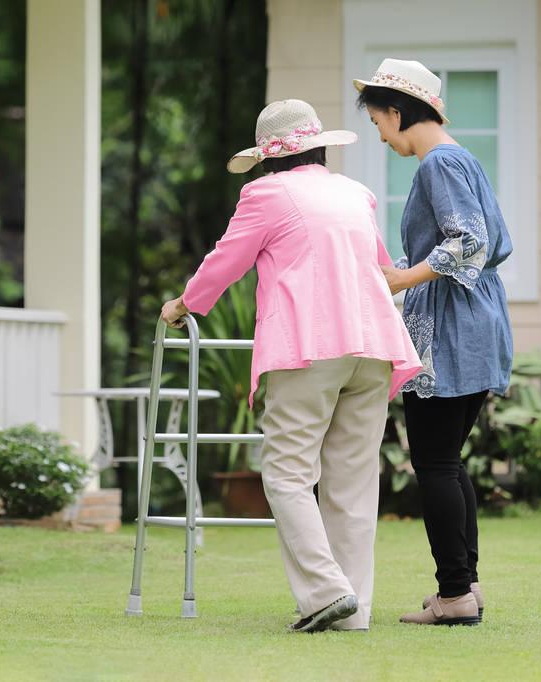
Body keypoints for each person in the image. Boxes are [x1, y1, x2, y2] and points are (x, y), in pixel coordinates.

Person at [160, 99, 421, 632]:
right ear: (319, 146)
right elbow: (382, 266)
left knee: (285, 473)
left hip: (310, 347)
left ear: (266, 158)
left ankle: (326, 593)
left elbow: (226, 260)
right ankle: (354, 612)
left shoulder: (265, 193)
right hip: (372, 345)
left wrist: (183, 303)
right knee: (352, 481)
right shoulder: (354, 194)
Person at [353, 59, 514, 626]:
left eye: (377, 122)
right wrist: (396, 272)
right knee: (448, 460)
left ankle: (455, 596)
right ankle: (464, 585)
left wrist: (401, 279)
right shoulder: (461, 157)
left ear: (398, 113)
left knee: (435, 462)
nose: (379, 134)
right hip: (476, 321)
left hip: (450, 330)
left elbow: (468, 241)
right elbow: (478, 243)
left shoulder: (437, 164)